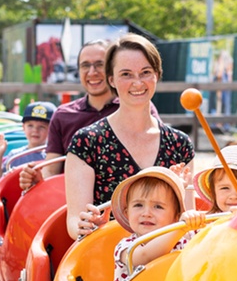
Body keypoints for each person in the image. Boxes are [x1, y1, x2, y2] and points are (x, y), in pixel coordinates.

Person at [68, 33, 194, 239]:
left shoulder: (180, 144)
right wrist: (83, 225)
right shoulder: (86, 142)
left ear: (157, 75)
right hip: (105, 256)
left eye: (145, 72)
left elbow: (187, 220)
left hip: (167, 258)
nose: (137, 82)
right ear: (112, 80)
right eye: (126, 74)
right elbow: (74, 220)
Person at [18, 39, 161, 190]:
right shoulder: (63, 115)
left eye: (100, 64)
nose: (92, 72)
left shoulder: (138, 107)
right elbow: (52, 169)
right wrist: (39, 181)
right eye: (85, 65)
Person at [107, 166, 204, 281]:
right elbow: (145, 256)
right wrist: (181, 227)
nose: (146, 213)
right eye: (138, 205)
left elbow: (204, 234)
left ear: (176, 216)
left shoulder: (184, 237)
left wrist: (190, 218)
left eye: (158, 207)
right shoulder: (127, 247)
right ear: (127, 212)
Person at [0, 101, 56, 186]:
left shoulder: (53, 157)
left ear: (52, 130)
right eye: (30, 125)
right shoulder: (15, 155)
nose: (35, 130)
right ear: (23, 127)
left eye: (42, 127)